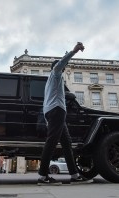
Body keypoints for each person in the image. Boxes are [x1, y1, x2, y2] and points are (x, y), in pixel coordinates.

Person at [38, 42, 90, 185]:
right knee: (51, 142)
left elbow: (48, 101)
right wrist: (74, 51)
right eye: (63, 68)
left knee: (67, 143)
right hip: (56, 111)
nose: (63, 69)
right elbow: (60, 63)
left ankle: (74, 175)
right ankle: (42, 176)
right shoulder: (55, 74)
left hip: (54, 112)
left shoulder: (52, 82)